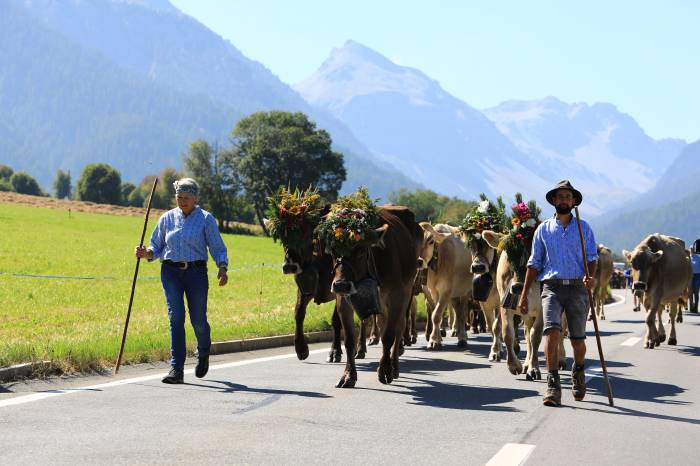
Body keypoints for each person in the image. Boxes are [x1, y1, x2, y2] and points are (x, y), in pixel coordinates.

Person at [135, 178, 229, 384]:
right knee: (175, 317)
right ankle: (176, 369)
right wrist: (145, 253)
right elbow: (156, 247)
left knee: (198, 320)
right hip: (170, 273)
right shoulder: (167, 218)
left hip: (196, 274)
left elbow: (218, 247)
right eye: (179, 197)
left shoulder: (206, 219)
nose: (182, 201)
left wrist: (222, 267)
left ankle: (203, 350)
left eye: (186, 198)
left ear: (195, 198)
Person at [518, 180, 598, 407]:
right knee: (551, 332)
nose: (564, 200)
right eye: (560, 196)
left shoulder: (584, 228)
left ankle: (578, 371)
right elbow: (534, 263)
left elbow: (591, 258)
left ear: (573, 202)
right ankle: (553, 385)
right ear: (554, 200)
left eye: (567, 197)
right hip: (551, 287)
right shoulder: (543, 229)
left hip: (577, 288)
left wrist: (590, 276)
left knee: (577, 341)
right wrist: (524, 295)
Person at [690, 240, 700, 313]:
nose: (692, 250)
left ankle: (696, 307)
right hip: (690, 276)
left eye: (692, 249)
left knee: (696, 292)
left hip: (697, 275)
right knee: (690, 292)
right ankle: (691, 306)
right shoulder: (688, 258)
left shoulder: (699, 257)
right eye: (691, 249)